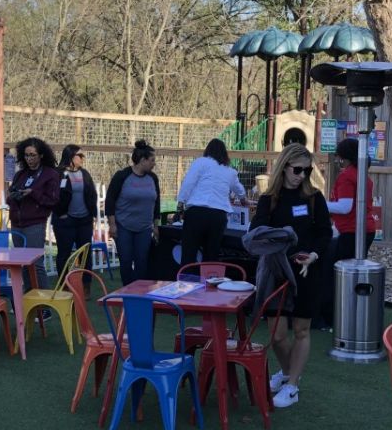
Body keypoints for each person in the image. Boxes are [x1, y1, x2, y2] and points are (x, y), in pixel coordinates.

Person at [250, 144, 331, 408]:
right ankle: (287, 374)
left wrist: (313, 255)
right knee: (277, 335)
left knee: (301, 330)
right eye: (297, 170)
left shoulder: (314, 198)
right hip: (277, 271)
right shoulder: (269, 199)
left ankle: (293, 385)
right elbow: (256, 231)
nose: (302, 175)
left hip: (308, 270)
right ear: (284, 167)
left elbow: (324, 233)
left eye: (307, 171)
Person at [318, 138, 379, 328]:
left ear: (346, 157)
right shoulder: (363, 176)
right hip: (364, 230)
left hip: (352, 232)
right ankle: (353, 315)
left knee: (332, 273)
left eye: (340, 157)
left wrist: (319, 204)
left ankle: (331, 318)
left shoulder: (347, 176)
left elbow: (345, 207)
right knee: (353, 274)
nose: (338, 161)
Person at [176, 139, 245, 267]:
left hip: (196, 213)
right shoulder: (230, 171)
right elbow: (239, 190)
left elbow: (188, 183)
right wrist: (243, 199)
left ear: (207, 150)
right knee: (211, 256)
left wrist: (181, 203)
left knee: (188, 255)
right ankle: (209, 278)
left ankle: (186, 278)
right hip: (218, 216)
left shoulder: (201, 162)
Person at [8, 137, 61, 292]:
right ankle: (28, 297)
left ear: (41, 155)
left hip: (35, 223)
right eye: (26, 155)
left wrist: (33, 193)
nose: (29, 159)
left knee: (36, 264)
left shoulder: (50, 174)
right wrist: (13, 196)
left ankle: (44, 301)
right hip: (17, 223)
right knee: (23, 263)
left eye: (33, 155)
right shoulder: (20, 174)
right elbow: (10, 197)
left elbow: (52, 200)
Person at [105, 140, 160, 287]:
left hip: (144, 228)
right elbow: (110, 201)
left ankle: (139, 292)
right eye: (152, 160)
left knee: (142, 262)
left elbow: (156, 203)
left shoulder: (153, 178)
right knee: (126, 261)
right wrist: (112, 225)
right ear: (142, 160)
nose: (154, 163)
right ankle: (127, 291)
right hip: (124, 227)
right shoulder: (122, 176)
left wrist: (156, 225)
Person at [52, 144, 97, 295]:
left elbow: (92, 194)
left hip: (84, 221)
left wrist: (92, 214)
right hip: (65, 221)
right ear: (70, 156)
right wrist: (60, 213)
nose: (83, 158)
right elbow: (52, 195)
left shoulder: (84, 174)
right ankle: (64, 286)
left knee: (85, 254)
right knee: (64, 254)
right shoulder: (58, 174)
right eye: (80, 155)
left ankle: (86, 286)